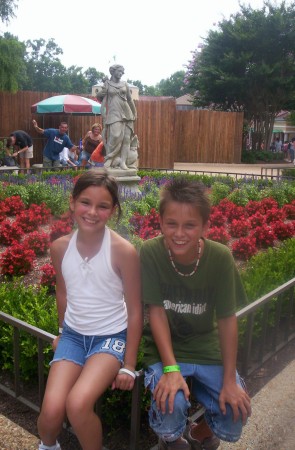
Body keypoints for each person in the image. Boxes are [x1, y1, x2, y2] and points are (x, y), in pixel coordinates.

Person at [140, 178, 251, 450]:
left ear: (205, 226)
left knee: (234, 413)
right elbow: (156, 312)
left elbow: (227, 320)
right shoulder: (151, 252)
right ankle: (173, 437)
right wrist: (170, 368)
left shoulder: (220, 257)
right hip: (164, 349)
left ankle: (200, 432)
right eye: (172, 224)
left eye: (190, 225)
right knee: (170, 406)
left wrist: (229, 381)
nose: (180, 233)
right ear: (161, 222)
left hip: (205, 345)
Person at [37, 169, 142, 450]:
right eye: (85, 202)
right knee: (49, 414)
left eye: (102, 206)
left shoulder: (123, 251)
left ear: (113, 210)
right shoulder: (60, 247)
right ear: (72, 203)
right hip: (73, 336)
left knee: (78, 404)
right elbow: (63, 290)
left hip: (109, 338)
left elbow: (134, 309)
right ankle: (49, 446)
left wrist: (129, 365)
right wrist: (61, 331)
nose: (92, 212)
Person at [99, 64, 137, 170]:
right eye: (119, 71)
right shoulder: (107, 83)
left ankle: (123, 162)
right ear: (113, 71)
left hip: (127, 113)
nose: (121, 73)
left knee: (126, 140)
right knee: (114, 136)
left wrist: (135, 112)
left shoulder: (124, 84)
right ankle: (109, 159)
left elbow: (130, 99)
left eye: (122, 72)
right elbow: (101, 99)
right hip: (114, 113)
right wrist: (103, 115)